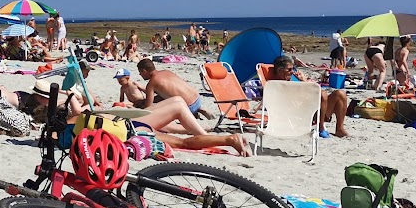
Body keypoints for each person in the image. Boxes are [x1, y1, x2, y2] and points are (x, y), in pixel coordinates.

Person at [23, 83, 250, 155]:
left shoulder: (61, 133)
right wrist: (69, 97)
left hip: (128, 136)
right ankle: (225, 138)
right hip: (129, 128)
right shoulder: (74, 119)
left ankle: (228, 140)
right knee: (179, 109)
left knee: (183, 142)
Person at [122, 58, 208, 118]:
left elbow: (148, 107)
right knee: (162, 97)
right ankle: (198, 110)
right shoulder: (167, 72)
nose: (140, 75)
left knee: (156, 108)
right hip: (197, 98)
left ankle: (192, 112)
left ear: (144, 71)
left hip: (188, 107)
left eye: (140, 72)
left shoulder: (152, 83)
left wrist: (137, 107)